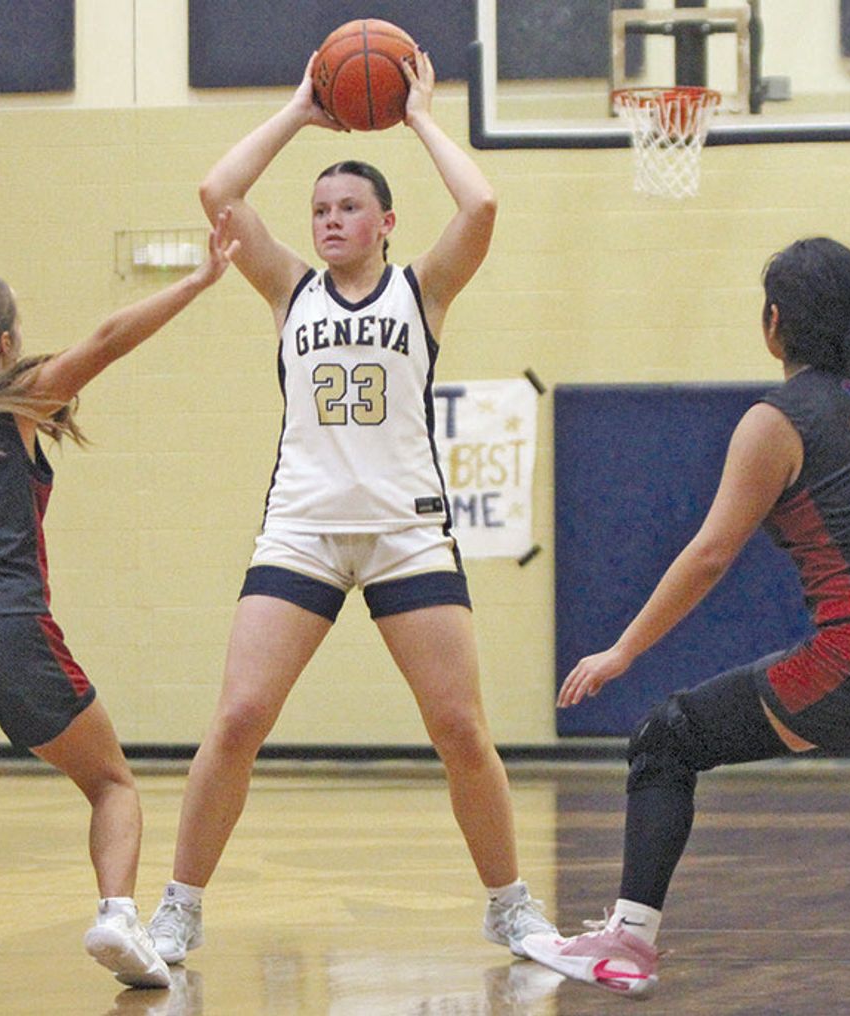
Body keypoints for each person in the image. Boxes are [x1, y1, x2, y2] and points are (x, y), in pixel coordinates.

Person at [520, 237, 850, 1002]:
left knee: (666, 738)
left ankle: (628, 943)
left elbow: (711, 554)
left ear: (772, 323)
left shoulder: (774, 420)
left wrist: (621, 651)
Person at [147, 49, 555, 963]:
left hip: (408, 535)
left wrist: (416, 117)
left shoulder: (423, 289)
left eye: (348, 209)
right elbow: (218, 191)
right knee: (241, 717)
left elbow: (481, 207)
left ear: (385, 223)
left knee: (458, 729)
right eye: (320, 210)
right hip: (302, 530)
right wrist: (299, 110)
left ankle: (510, 902)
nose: (330, 221)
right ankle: (179, 905)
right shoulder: (290, 289)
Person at [0, 212, 239, 989]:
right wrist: (200, 280)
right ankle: (116, 917)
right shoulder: (22, 402)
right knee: (110, 783)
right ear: (4, 344)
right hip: (9, 632)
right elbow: (108, 339)